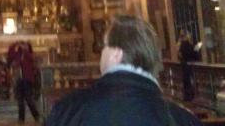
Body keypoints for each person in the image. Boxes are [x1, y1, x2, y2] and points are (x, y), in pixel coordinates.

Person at [46, 15, 202, 126]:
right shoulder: (184, 120)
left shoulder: (68, 111)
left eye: (104, 46)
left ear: (116, 53)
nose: (101, 53)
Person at [7, 40, 41, 123]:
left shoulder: (29, 54)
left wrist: (25, 51)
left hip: (27, 79)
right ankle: (21, 119)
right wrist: (15, 43)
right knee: (20, 100)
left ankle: (36, 116)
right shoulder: (17, 55)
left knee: (29, 99)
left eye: (25, 45)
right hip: (19, 79)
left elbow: (32, 59)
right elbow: (10, 53)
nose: (23, 46)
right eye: (22, 45)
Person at [177, 30, 199, 102]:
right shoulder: (189, 45)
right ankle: (191, 97)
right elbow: (195, 55)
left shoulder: (180, 45)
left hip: (184, 65)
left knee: (186, 82)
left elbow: (180, 56)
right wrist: (196, 49)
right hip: (189, 66)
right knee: (190, 81)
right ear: (187, 36)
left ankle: (186, 97)